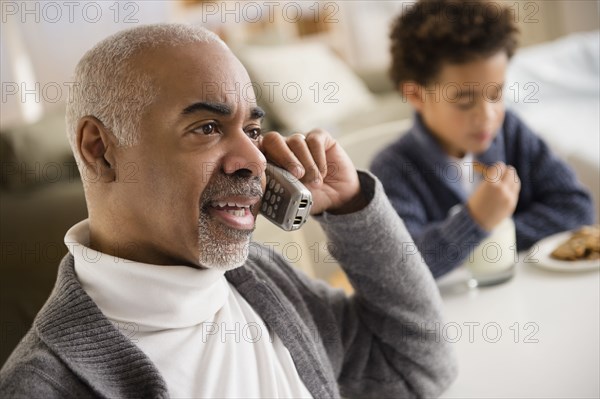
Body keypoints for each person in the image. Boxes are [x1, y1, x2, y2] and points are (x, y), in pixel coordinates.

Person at [0, 24, 457, 398]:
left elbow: (416, 370)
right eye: (206, 127)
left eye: (253, 130)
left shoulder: (263, 279)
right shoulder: (41, 387)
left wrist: (354, 207)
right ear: (100, 151)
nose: (256, 160)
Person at [371, 0, 595, 278]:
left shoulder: (510, 132)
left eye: (496, 94)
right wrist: (476, 220)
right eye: (465, 101)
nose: (487, 116)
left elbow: (576, 208)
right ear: (416, 95)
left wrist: (491, 234)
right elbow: (401, 267)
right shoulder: (393, 170)